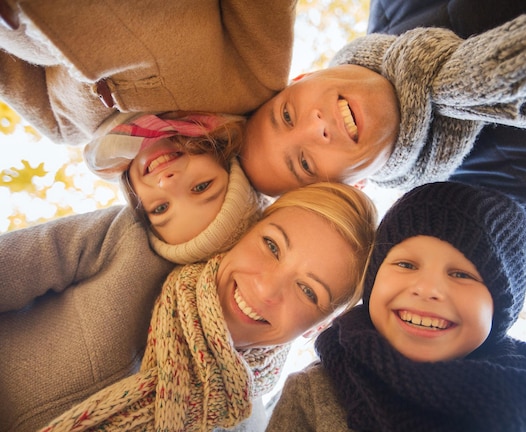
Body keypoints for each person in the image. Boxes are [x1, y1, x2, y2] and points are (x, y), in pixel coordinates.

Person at [239, 0, 526, 253]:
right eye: (304, 163)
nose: (315, 130)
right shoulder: (509, 204)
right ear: (349, 185)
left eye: (287, 116)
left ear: (302, 77)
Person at [0, 182, 377, 431]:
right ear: (244, 230)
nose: (266, 287)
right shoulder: (129, 242)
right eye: (272, 245)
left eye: (308, 292)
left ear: (315, 329)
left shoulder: (250, 422)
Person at [266, 181, 526, 432]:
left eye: (461, 274)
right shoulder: (315, 393)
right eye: (406, 264)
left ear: (501, 310)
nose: (428, 289)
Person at [0, 0, 296, 147]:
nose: (167, 181)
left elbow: (9, 76)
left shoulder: (70, 130)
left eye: (160, 209)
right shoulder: (253, 83)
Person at [83, 111, 263, 263]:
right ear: (225, 163)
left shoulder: (98, 151)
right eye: (201, 187)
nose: (167, 182)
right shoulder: (228, 95)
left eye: (161, 208)